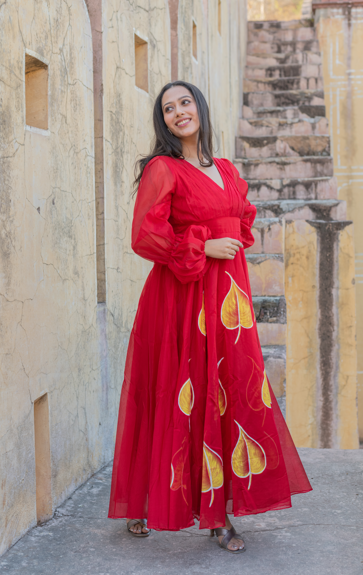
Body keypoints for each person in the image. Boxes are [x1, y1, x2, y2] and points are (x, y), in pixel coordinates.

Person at [108, 80, 312, 553]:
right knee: (174, 393)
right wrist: (204, 244)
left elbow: (241, 215)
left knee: (229, 395)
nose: (179, 112)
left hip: (228, 303)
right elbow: (145, 236)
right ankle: (143, 502)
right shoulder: (163, 168)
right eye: (168, 108)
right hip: (180, 299)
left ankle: (221, 513)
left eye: (184, 102)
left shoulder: (225, 168)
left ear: (200, 106)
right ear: (163, 120)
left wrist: (230, 237)